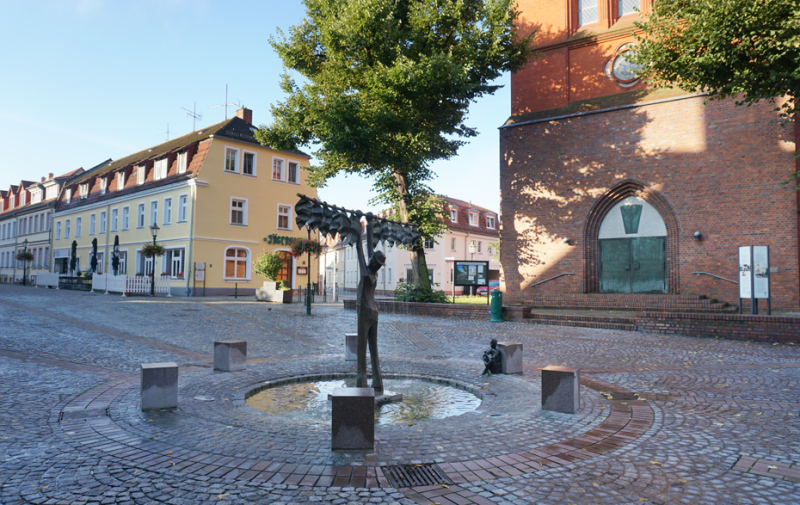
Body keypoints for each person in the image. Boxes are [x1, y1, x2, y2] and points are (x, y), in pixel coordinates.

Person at [355, 213, 386, 392]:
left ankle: (361, 383)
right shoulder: (374, 273)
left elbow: (361, 248)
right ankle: (377, 381)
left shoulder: (366, 273)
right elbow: (369, 249)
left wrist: (360, 225)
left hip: (365, 312)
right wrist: (369, 224)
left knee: (361, 348)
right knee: (373, 348)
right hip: (375, 311)